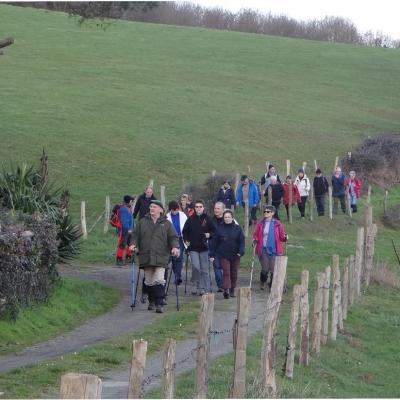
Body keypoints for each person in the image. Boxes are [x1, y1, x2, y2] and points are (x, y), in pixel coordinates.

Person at [131, 200, 179, 313]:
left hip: (161, 256)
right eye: (151, 206)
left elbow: (173, 237)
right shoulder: (142, 222)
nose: (152, 208)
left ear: (161, 210)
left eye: (154, 207)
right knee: (149, 281)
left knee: (159, 279)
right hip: (146, 255)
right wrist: (133, 244)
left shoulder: (167, 224)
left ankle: (160, 303)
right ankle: (151, 301)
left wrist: (175, 247)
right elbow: (135, 235)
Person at [182, 199, 215, 296]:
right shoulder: (190, 219)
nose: (198, 208)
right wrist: (186, 240)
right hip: (193, 247)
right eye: (196, 207)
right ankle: (196, 285)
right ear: (194, 208)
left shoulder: (208, 219)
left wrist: (210, 234)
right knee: (196, 267)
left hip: (204, 247)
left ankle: (205, 288)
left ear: (203, 208)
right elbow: (184, 232)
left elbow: (214, 231)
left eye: (200, 206)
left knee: (204, 269)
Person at [210, 210, 245, 299]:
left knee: (234, 273)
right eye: (225, 217)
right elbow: (214, 242)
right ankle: (226, 289)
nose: (227, 218)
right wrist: (212, 254)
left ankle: (232, 288)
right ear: (223, 218)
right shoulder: (219, 229)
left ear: (232, 218)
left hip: (235, 255)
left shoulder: (237, 228)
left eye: (229, 217)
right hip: (223, 254)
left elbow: (242, 242)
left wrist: (240, 252)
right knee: (226, 272)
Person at [252, 205, 287, 290]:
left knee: (273, 268)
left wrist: (285, 238)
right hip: (263, 248)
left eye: (268, 212)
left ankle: (272, 284)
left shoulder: (278, 224)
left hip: (274, 249)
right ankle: (262, 281)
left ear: (273, 213)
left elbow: (282, 237)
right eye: (265, 211)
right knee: (265, 268)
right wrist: (254, 240)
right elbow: (256, 235)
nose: (265, 213)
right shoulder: (260, 223)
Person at [166, 201, 188, 285]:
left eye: (176, 209)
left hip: (180, 239)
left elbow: (186, 227)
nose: (175, 211)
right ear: (170, 209)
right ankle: (173, 274)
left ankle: (178, 277)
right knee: (171, 258)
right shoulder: (167, 217)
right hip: (170, 240)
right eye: (173, 210)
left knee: (179, 258)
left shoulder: (183, 215)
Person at [211, 201, 226, 292]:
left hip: (226, 248)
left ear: (223, 210)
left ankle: (227, 284)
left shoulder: (228, 219)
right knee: (216, 267)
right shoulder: (210, 220)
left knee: (225, 267)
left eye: (218, 208)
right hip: (215, 248)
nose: (216, 210)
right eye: (215, 208)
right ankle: (220, 285)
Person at [115, 195, 134, 266]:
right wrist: (128, 229)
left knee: (130, 243)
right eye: (131, 201)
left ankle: (128, 258)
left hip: (129, 230)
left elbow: (131, 220)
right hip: (124, 230)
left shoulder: (128, 208)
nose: (132, 202)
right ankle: (119, 260)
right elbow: (124, 221)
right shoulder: (123, 209)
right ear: (128, 201)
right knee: (122, 244)